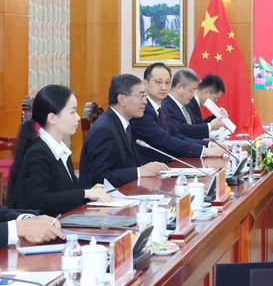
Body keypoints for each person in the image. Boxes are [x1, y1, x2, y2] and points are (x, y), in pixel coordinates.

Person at [8, 85, 112, 216]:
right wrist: (85, 193)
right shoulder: (38, 153)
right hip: (45, 226)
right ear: (52, 118)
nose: (78, 117)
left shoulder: (60, 149)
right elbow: (39, 200)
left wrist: (89, 191)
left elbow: (65, 190)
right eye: (72, 112)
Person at [79, 74, 169, 188]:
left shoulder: (123, 123)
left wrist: (149, 169)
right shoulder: (104, 129)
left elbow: (126, 165)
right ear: (122, 99)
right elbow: (100, 177)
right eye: (141, 96)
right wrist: (139, 171)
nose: (145, 101)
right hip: (101, 200)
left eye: (145, 96)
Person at [131, 63, 222, 165]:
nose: (163, 87)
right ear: (145, 84)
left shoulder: (163, 108)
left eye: (167, 82)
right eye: (158, 82)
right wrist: (203, 150)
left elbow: (178, 136)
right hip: (148, 170)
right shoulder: (142, 110)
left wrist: (209, 144)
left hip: (167, 166)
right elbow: (164, 139)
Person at [163, 69, 226, 140]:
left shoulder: (183, 107)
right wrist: (210, 126)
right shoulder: (165, 106)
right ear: (179, 88)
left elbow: (197, 124)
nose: (193, 95)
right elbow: (180, 129)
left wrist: (217, 115)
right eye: (191, 90)